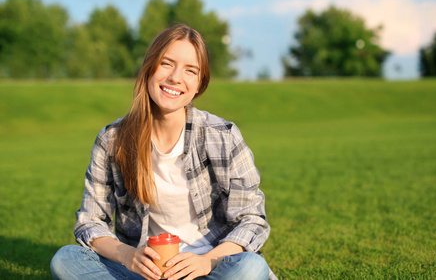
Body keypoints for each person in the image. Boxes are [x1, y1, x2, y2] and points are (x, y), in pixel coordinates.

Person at [50, 24, 276, 280]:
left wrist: (206, 263)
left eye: (190, 70)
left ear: (200, 83)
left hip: (211, 268)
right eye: (167, 64)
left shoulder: (223, 135)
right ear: (149, 68)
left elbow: (251, 220)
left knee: (251, 267)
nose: (175, 78)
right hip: (144, 272)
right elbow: (90, 222)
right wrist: (128, 256)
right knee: (66, 259)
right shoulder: (112, 140)